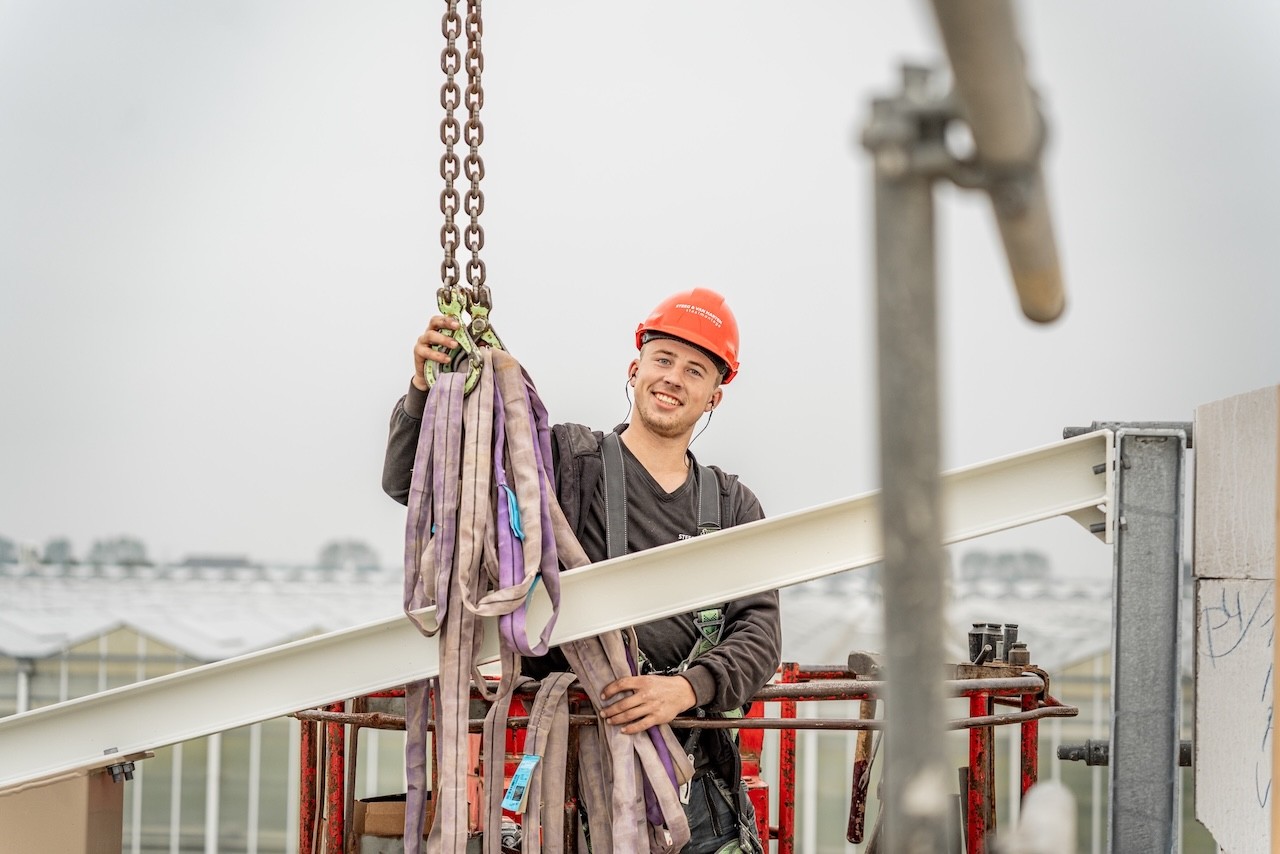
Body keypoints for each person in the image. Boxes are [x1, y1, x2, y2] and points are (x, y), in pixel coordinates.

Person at [382, 288, 781, 854]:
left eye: (695, 370)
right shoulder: (569, 465)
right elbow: (420, 485)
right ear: (635, 367)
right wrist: (427, 391)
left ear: (715, 396)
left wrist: (686, 689)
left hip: (689, 777)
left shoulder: (733, 505)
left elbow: (760, 634)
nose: (673, 378)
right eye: (663, 360)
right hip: (566, 777)